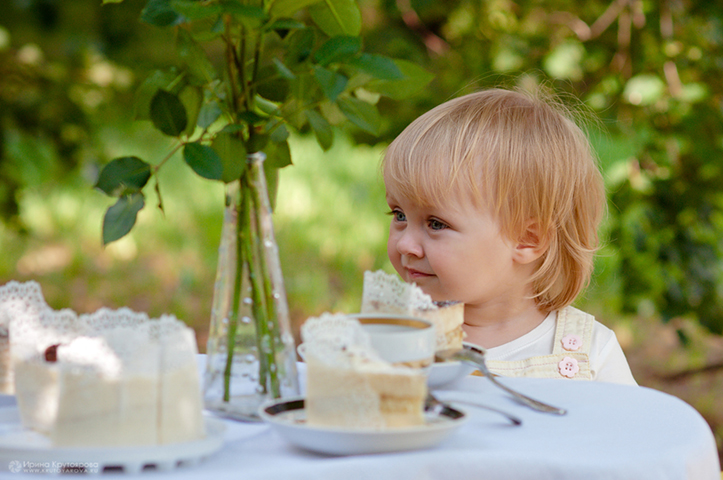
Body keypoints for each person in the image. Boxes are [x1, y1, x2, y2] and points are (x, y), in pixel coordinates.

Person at [382, 86, 637, 385]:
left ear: (527, 239)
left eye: (436, 224)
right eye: (399, 215)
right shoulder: (392, 337)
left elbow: (633, 431)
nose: (405, 244)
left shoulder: (590, 354)